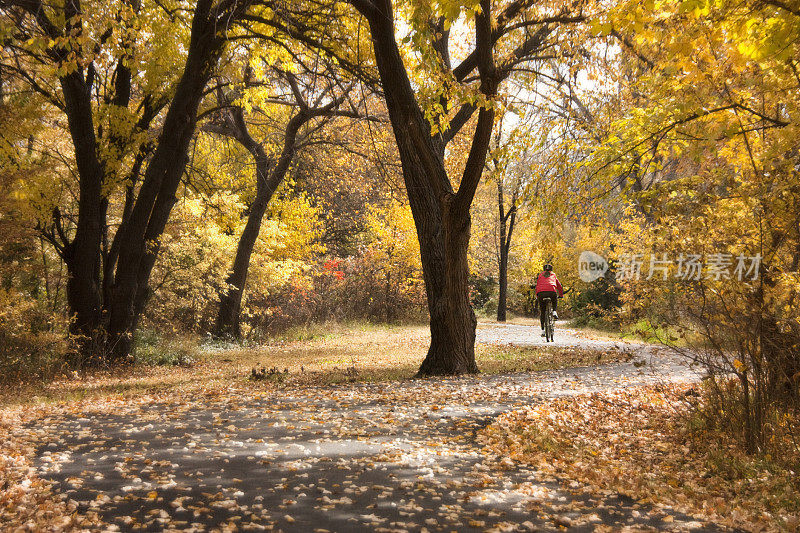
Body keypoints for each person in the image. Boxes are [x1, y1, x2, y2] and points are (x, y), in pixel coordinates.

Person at [535, 264, 563, 335]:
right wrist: (561, 295)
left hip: (541, 293)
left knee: (543, 311)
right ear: (551, 269)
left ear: (544, 269)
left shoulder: (540, 275)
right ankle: (554, 311)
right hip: (551, 292)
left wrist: (537, 295)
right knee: (554, 298)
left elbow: (537, 285)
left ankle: (543, 331)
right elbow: (559, 286)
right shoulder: (553, 275)